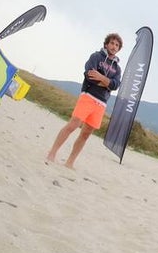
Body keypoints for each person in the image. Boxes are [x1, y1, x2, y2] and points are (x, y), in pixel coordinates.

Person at [45, 33, 123, 168]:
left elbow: (115, 85)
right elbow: (90, 76)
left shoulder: (117, 68)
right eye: (112, 43)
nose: (114, 46)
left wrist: (102, 78)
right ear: (106, 44)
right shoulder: (96, 57)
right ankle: (52, 153)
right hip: (88, 96)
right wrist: (106, 83)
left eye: (117, 45)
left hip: (101, 103)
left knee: (86, 134)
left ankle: (70, 162)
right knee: (73, 125)